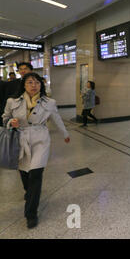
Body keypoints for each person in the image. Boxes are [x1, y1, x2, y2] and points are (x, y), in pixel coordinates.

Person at [2, 72, 70, 229]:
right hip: (20, 139)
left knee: (36, 173)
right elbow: (5, 118)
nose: (34, 86)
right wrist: (10, 122)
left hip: (40, 138)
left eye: (37, 83)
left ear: (41, 85)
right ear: (24, 85)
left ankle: (31, 213)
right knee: (25, 172)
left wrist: (65, 134)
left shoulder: (49, 102)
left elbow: (57, 118)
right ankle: (29, 192)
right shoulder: (12, 101)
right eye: (30, 83)